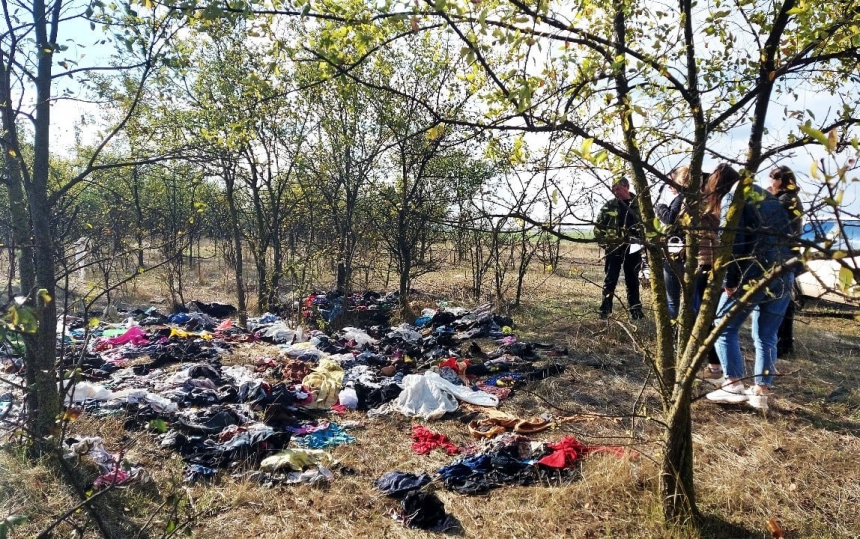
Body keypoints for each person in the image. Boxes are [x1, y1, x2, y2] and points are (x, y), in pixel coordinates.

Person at [704, 164, 795, 411]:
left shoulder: (735, 195)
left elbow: (730, 241)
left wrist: (729, 281)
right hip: (783, 272)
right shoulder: (764, 195)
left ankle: (733, 383)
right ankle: (761, 391)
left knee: (723, 325)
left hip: (753, 273)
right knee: (766, 336)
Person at [593, 177, 644, 320]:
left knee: (633, 280)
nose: (615, 192)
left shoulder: (639, 205)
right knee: (610, 280)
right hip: (614, 249)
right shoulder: (609, 206)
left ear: (627, 187)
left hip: (634, 248)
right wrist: (606, 244)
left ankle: (635, 311)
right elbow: (598, 229)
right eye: (613, 189)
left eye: (618, 189)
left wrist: (643, 243)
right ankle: (605, 311)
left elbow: (647, 227)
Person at [767, 166, 803, 357]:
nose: (770, 181)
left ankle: (782, 344)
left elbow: (772, 223)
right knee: (785, 300)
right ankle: (786, 343)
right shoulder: (793, 198)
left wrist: (769, 198)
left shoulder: (784, 200)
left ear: (781, 180)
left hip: (782, 254)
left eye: (773, 178)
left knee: (780, 301)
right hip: (790, 254)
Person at [654, 166, 689, 320]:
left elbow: (670, 219)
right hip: (689, 256)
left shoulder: (682, 198)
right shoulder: (696, 199)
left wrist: (660, 207)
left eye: (671, 181)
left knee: (673, 301)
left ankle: (676, 339)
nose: (669, 185)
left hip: (678, 256)